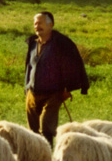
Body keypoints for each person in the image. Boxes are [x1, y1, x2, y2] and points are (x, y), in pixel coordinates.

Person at [24, 11, 89, 147]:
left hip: (53, 93)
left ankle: (47, 158)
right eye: (35, 23)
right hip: (32, 93)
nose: (37, 26)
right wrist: (27, 89)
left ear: (51, 25)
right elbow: (29, 67)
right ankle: (36, 160)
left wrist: (68, 88)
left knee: (46, 128)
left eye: (40, 23)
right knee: (33, 131)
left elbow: (72, 65)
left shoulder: (61, 44)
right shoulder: (33, 43)